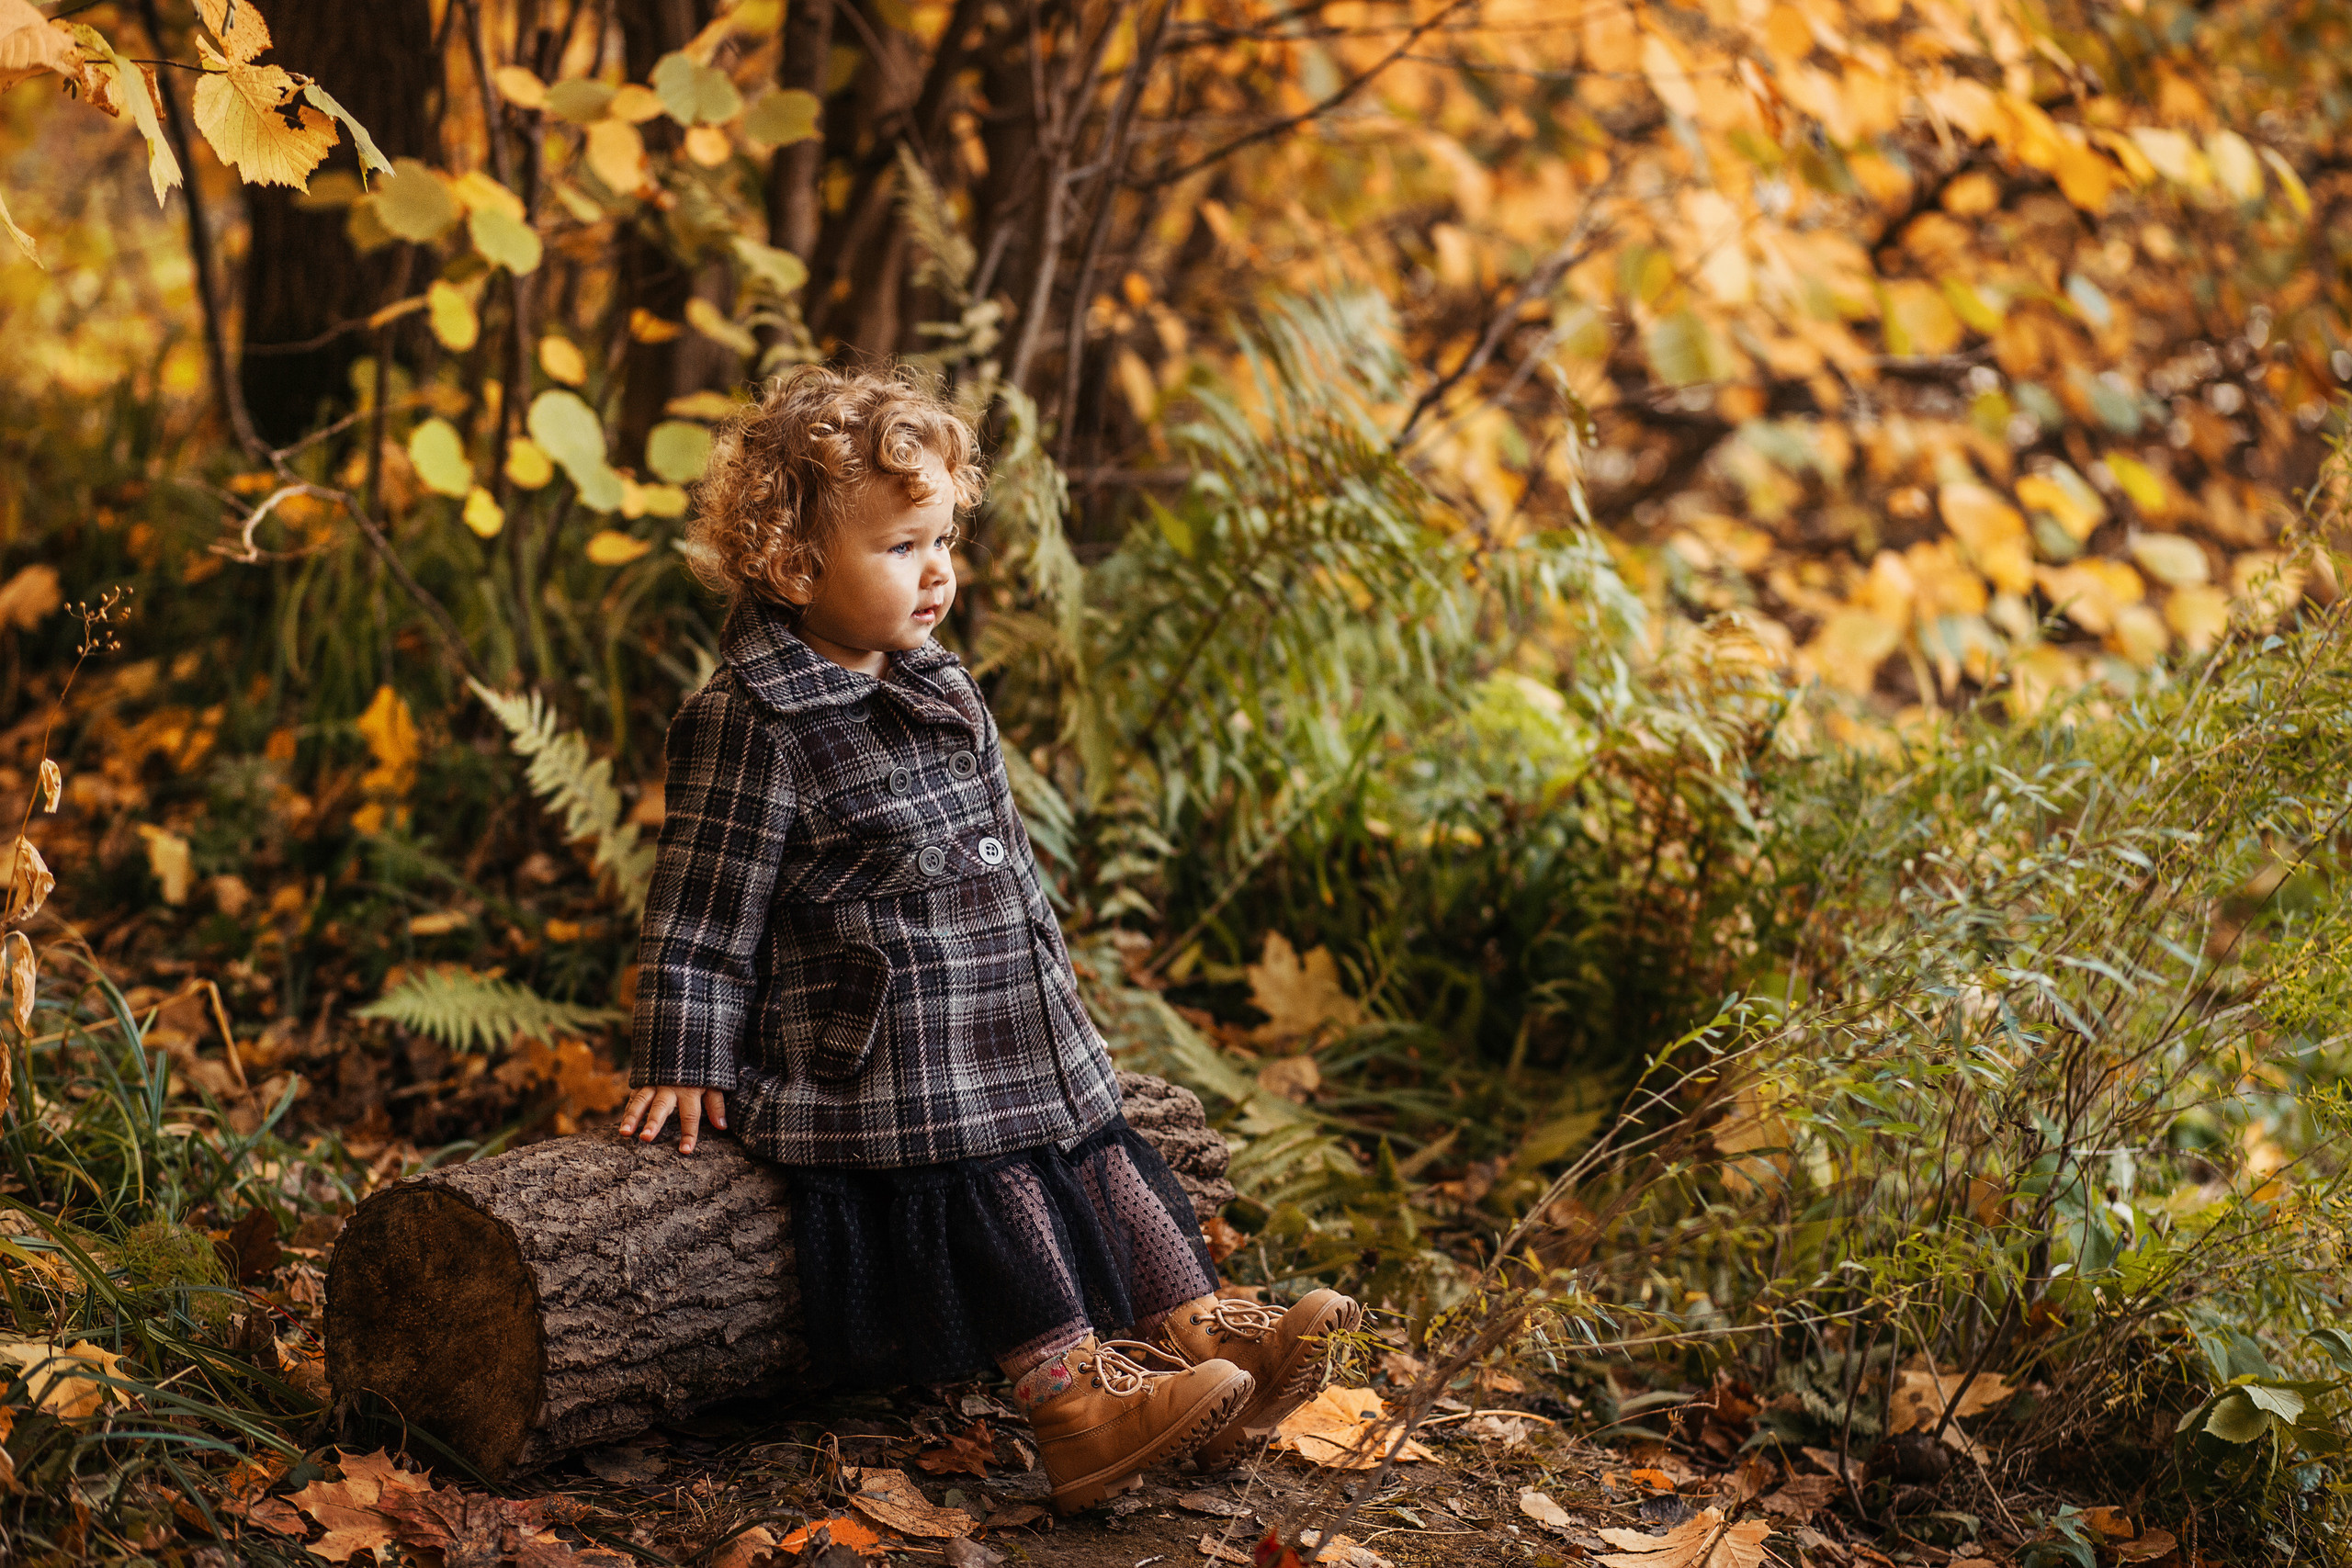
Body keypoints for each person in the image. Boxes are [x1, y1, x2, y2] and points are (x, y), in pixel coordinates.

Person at [614, 367, 1361, 1512]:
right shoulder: (751, 720)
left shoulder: (944, 687)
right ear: (793, 566)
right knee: (993, 1170)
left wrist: (1061, 998)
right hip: (879, 1050)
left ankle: (1204, 1332)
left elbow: (1011, 864)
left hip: (1005, 1013)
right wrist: (683, 1049)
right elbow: (704, 910)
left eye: (945, 539)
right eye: (905, 547)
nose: (940, 572)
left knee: (1099, 1140)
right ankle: (1072, 1399)